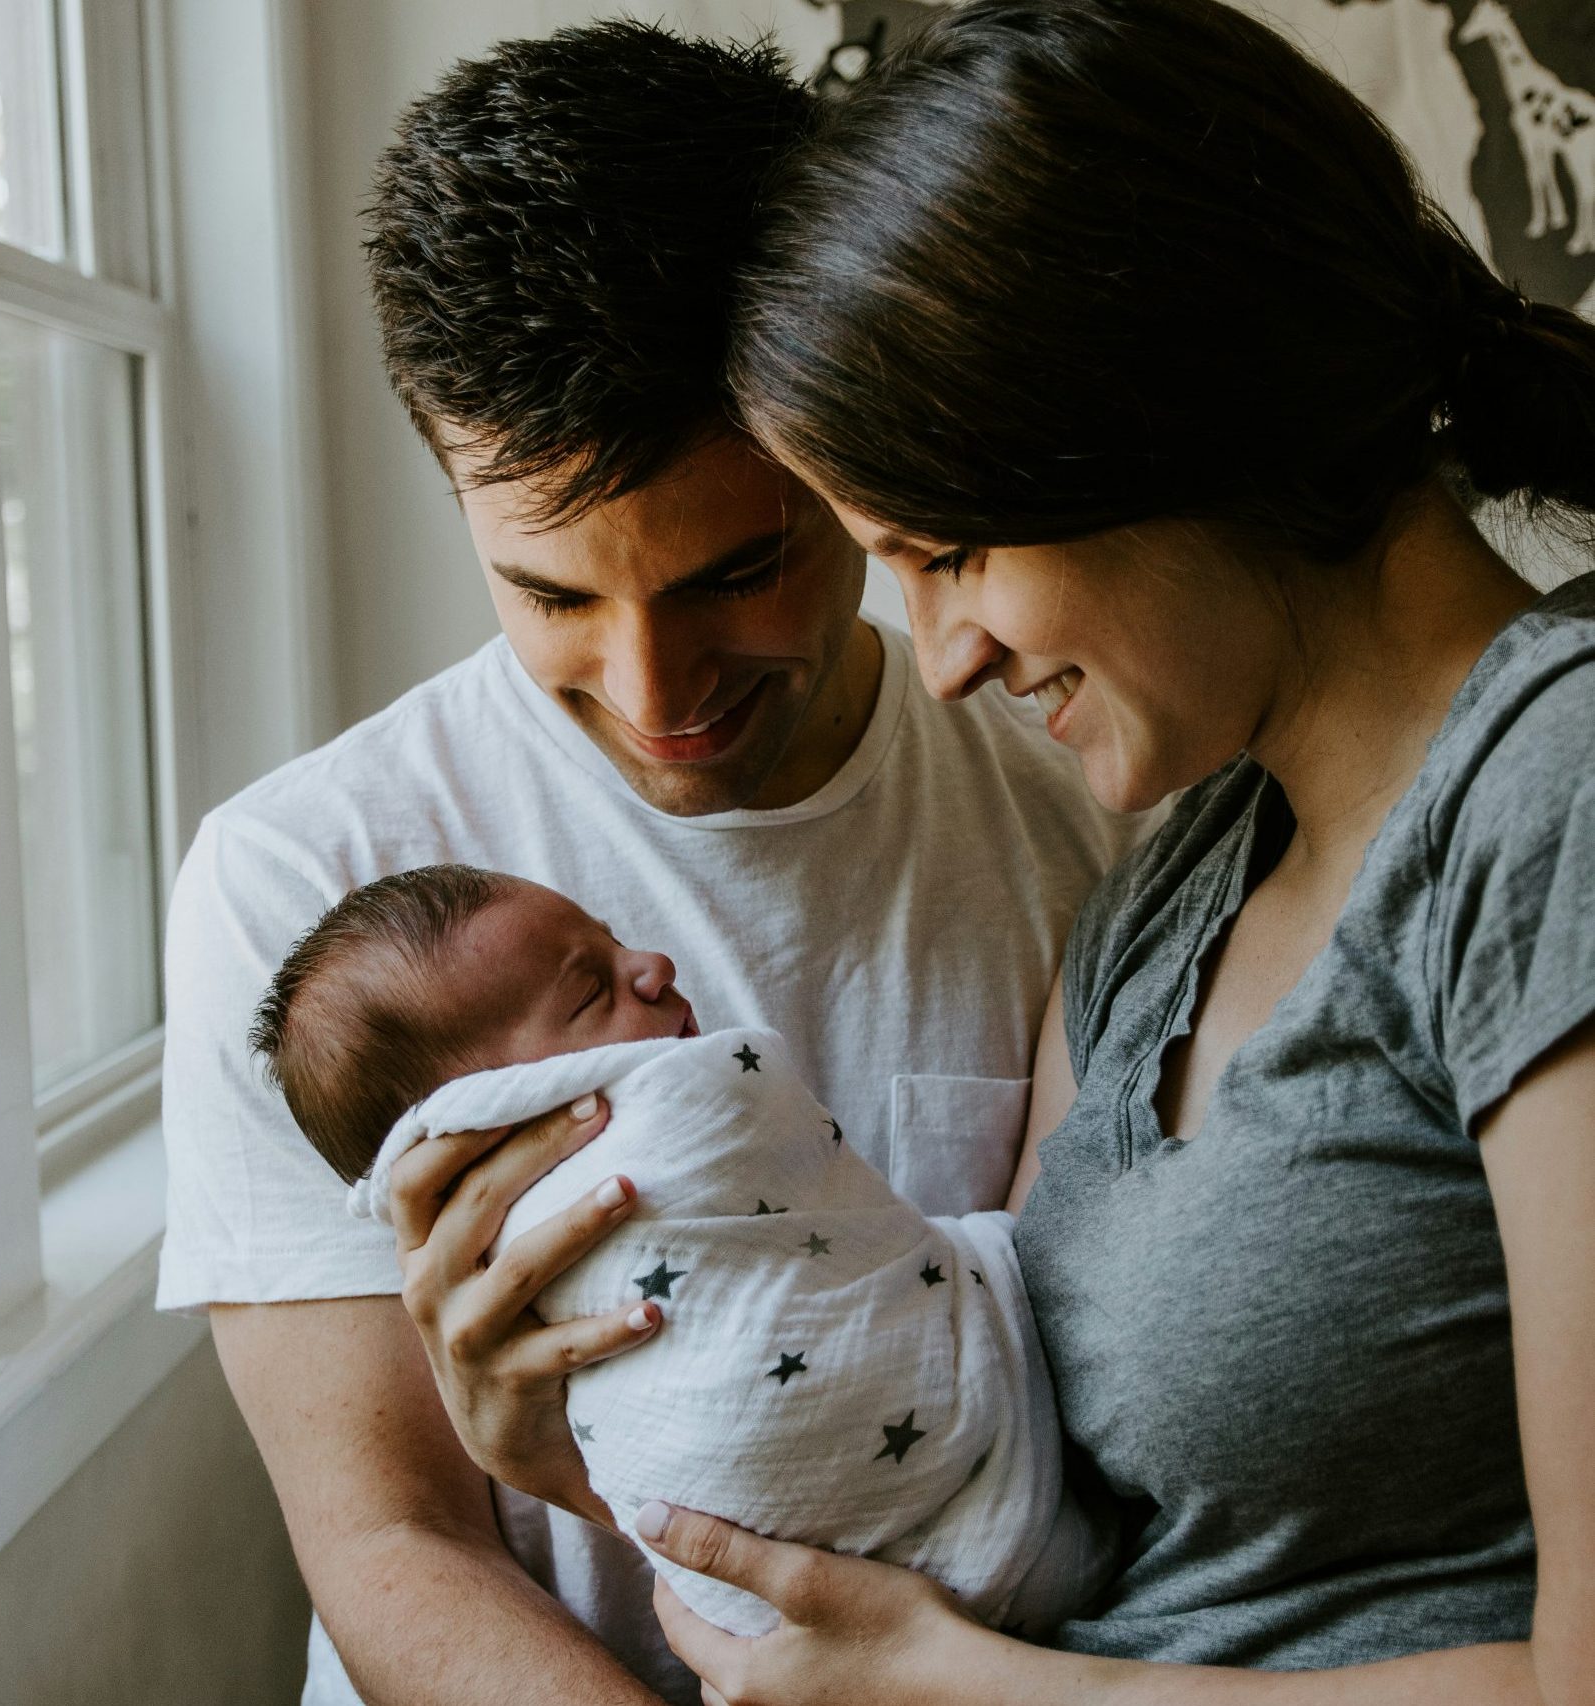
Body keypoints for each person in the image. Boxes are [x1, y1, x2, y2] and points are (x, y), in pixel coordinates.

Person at [386, 1, 1595, 1701]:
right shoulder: (1181, 882)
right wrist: (593, 1448)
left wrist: (978, 1693)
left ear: (1169, 426)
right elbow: (990, 1462)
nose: (938, 652)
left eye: (948, 550)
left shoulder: (1552, 798)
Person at [154, 22, 1140, 1706]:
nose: (653, 690)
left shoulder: (1078, 808)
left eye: (737, 569)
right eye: (551, 596)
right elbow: (397, 1544)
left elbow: (1099, 1425)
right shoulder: (303, 881)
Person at [248, 864, 1112, 1639]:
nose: (652, 963)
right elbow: (384, 1546)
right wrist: (525, 1452)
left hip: (831, 1624)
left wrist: (551, 1464)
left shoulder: (1069, 833)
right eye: (590, 993)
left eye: (614, 940)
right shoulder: (277, 863)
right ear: (498, 1108)